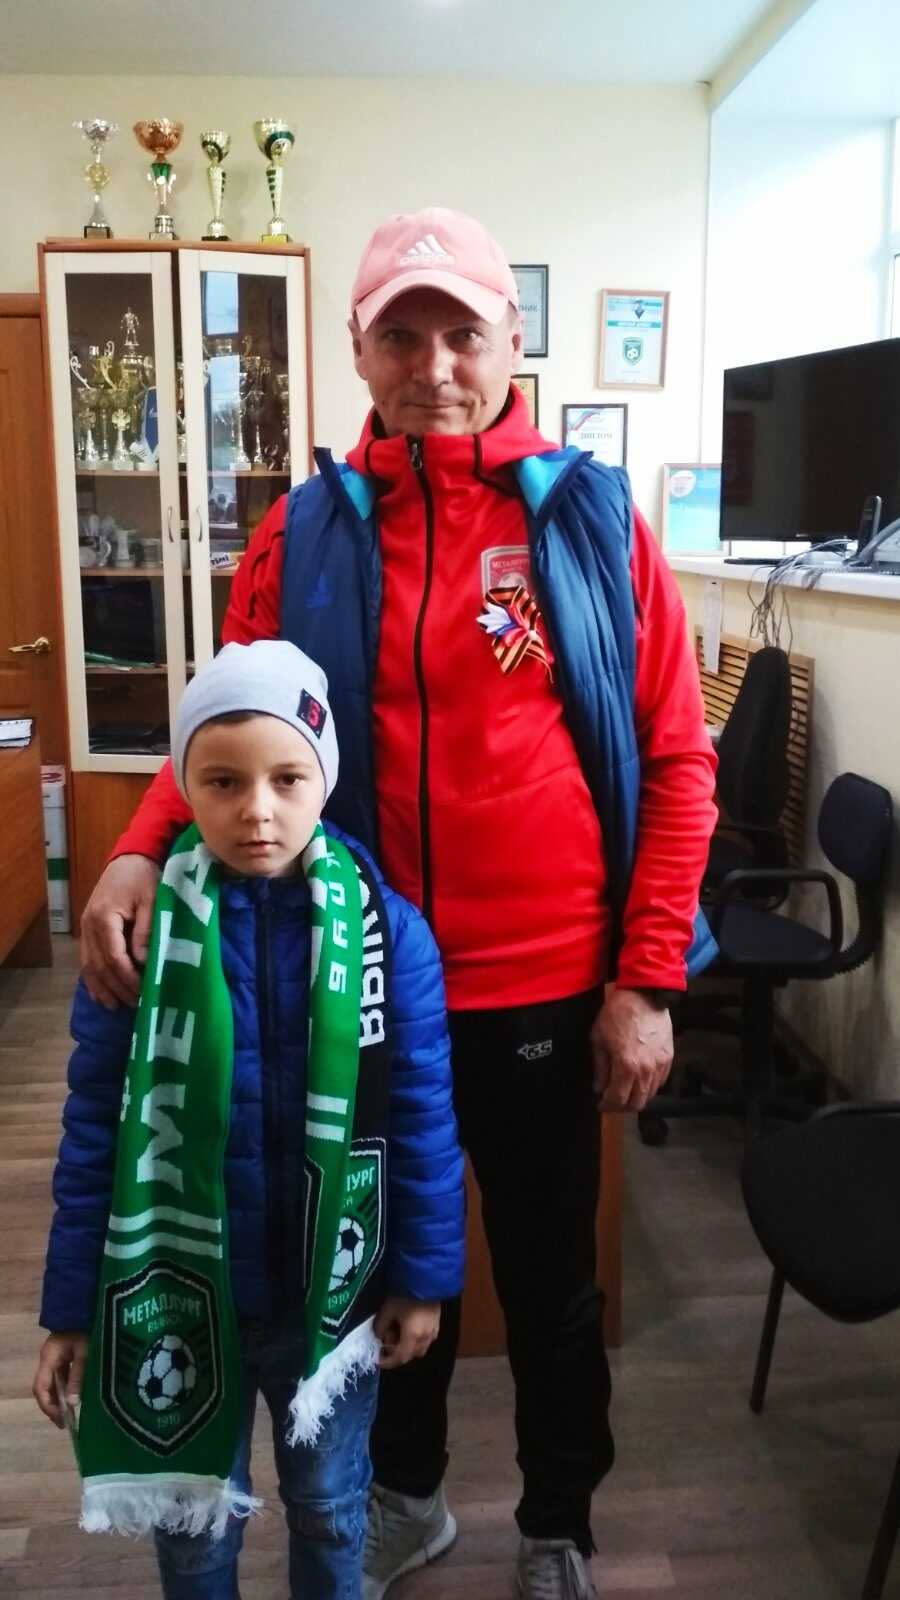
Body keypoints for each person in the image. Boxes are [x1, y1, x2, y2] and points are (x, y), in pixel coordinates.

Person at [78, 206, 718, 1600]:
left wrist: (647, 979)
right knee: (374, 1275)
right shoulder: (305, 529)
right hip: (354, 984)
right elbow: (231, 725)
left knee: (547, 1280)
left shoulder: (589, 523)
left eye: (462, 334)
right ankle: (408, 1497)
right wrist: (135, 846)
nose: (435, 365)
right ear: (360, 351)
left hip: (548, 983)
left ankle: (559, 1524)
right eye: (403, 336)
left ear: (510, 343)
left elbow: (678, 758)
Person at [34, 639, 465, 1600]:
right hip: (185, 1302)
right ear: (184, 785)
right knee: (194, 1528)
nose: (257, 810)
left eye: (286, 779)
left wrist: (423, 1278)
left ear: (325, 780)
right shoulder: (139, 941)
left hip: (335, 1298)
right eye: (223, 781)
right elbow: (95, 1130)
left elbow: (423, 1121)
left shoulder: (391, 933)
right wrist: (71, 1308)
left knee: (332, 1507)